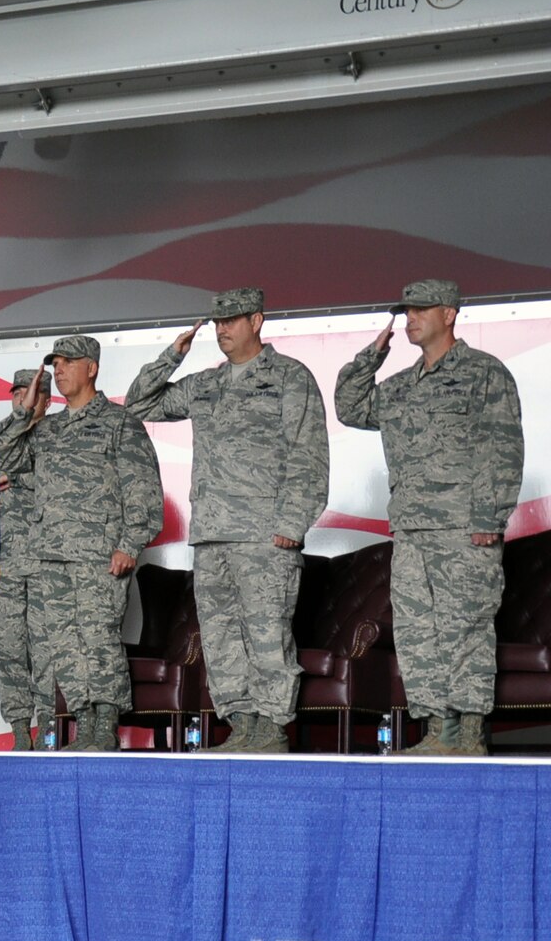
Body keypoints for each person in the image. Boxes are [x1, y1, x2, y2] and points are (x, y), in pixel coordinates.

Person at [125, 287, 329, 753]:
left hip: (265, 536)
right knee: (220, 641)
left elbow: (309, 456)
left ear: (257, 320)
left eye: (232, 320)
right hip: (212, 536)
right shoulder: (206, 384)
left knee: (266, 635)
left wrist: (292, 524)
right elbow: (139, 404)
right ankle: (241, 727)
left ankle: (271, 729)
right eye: (217, 322)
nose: (222, 330)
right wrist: (171, 356)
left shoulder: (289, 377)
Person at [335, 280, 523, 756]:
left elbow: (502, 448)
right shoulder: (398, 387)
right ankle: (437, 731)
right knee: (419, 635)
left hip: (465, 528)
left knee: (466, 629)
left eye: (420, 309)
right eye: (406, 311)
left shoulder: (484, 373)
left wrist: (490, 516)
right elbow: (350, 407)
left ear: (450, 313)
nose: (410, 318)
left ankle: (470, 733)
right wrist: (371, 357)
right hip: (412, 532)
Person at [29, 336, 164, 752]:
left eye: (68, 362)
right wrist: (24, 414)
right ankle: (84, 722)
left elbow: (143, 491)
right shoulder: (46, 430)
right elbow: (6, 461)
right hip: (52, 554)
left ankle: (104, 725)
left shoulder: (120, 423)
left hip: (99, 554)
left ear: (92, 368)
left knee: (98, 637)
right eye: (55, 364)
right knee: (65, 644)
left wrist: (130, 544)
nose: (59, 370)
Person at [0, 367, 53, 749]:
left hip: (47, 566)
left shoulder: (59, 437)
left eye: (29, 394)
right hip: (6, 567)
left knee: (46, 652)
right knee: (9, 651)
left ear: (46, 399)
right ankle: (18, 734)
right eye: (16, 394)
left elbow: (67, 486)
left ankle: (47, 731)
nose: (21, 400)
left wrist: (21, 481)